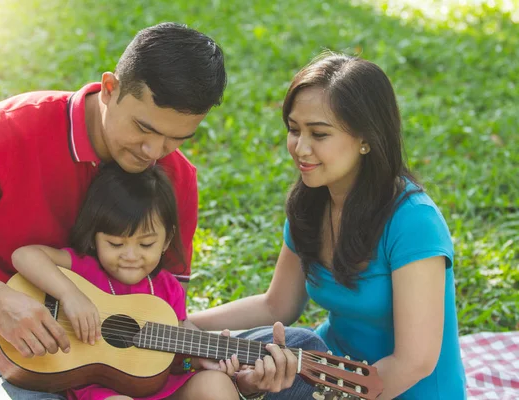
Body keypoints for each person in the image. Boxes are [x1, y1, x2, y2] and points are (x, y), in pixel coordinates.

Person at [0, 21, 299, 399]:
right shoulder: (8, 132)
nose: (154, 152)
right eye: (143, 128)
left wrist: (239, 380)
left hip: (126, 368)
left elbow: (166, 322)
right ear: (109, 89)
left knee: (302, 351)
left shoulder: (176, 178)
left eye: (176, 138)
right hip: (4, 358)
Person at [189, 53, 467, 399]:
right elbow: (277, 305)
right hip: (327, 367)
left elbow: (415, 362)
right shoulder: (311, 204)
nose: (300, 148)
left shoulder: (413, 221)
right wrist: (186, 326)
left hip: (399, 389)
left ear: (366, 138)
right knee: (224, 357)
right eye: (294, 130)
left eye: (319, 134)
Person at [12, 162, 240, 400]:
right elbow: (24, 256)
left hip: (160, 389)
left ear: (166, 240)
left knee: (216, 384)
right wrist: (70, 295)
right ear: (94, 237)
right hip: (102, 391)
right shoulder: (86, 270)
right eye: (116, 244)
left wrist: (198, 355)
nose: (130, 257)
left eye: (146, 244)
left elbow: (175, 357)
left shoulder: (167, 288)